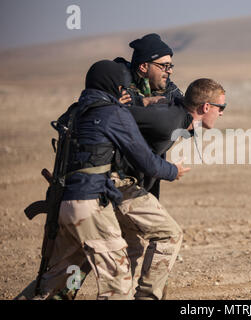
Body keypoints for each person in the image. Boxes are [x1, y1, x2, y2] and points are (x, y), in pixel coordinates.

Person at [50, 78, 226, 300]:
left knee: (120, 250)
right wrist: (170, 170)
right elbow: (118, 116)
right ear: (206, 107)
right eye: (222, 108)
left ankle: (55, 293)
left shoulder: (176, 118)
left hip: (106, 186)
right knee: (165, 235)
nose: (222, 114)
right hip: (112, 185)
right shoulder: (168, 119)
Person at [33, 60, 189, 300]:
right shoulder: (113, 113)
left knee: (53, 284)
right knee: (118, 284)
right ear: (116, 87)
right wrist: (172, 171)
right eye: (122, 88)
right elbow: (145, 160)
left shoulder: (76, 112)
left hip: (65, 203)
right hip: (91, 204)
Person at [114, 33, 183, 107]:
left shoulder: (168, 88)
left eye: (170, 66)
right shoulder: (119, 84)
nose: (170, 71)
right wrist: (141, 102)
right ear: (143, 67)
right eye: (164, 66)